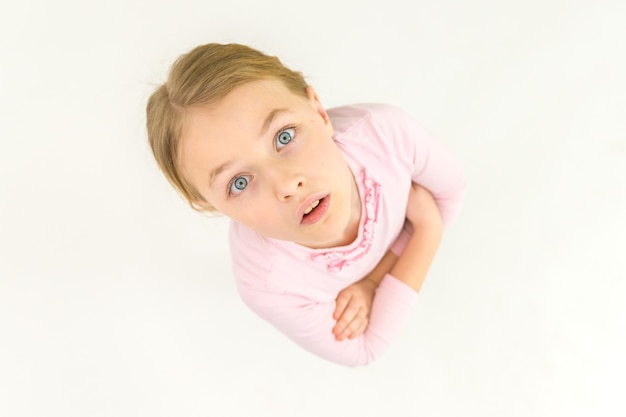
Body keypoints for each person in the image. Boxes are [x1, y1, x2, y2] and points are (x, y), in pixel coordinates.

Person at [146, 43, 466, 367]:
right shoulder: (267, 282)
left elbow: (451, 192)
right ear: (211, 204)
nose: (286, 184)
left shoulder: (385, 135)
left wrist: (376, 281)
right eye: (239, 182)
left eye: (284, 136)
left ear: (318, 111)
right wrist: (426, 229)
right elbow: (363, 350)